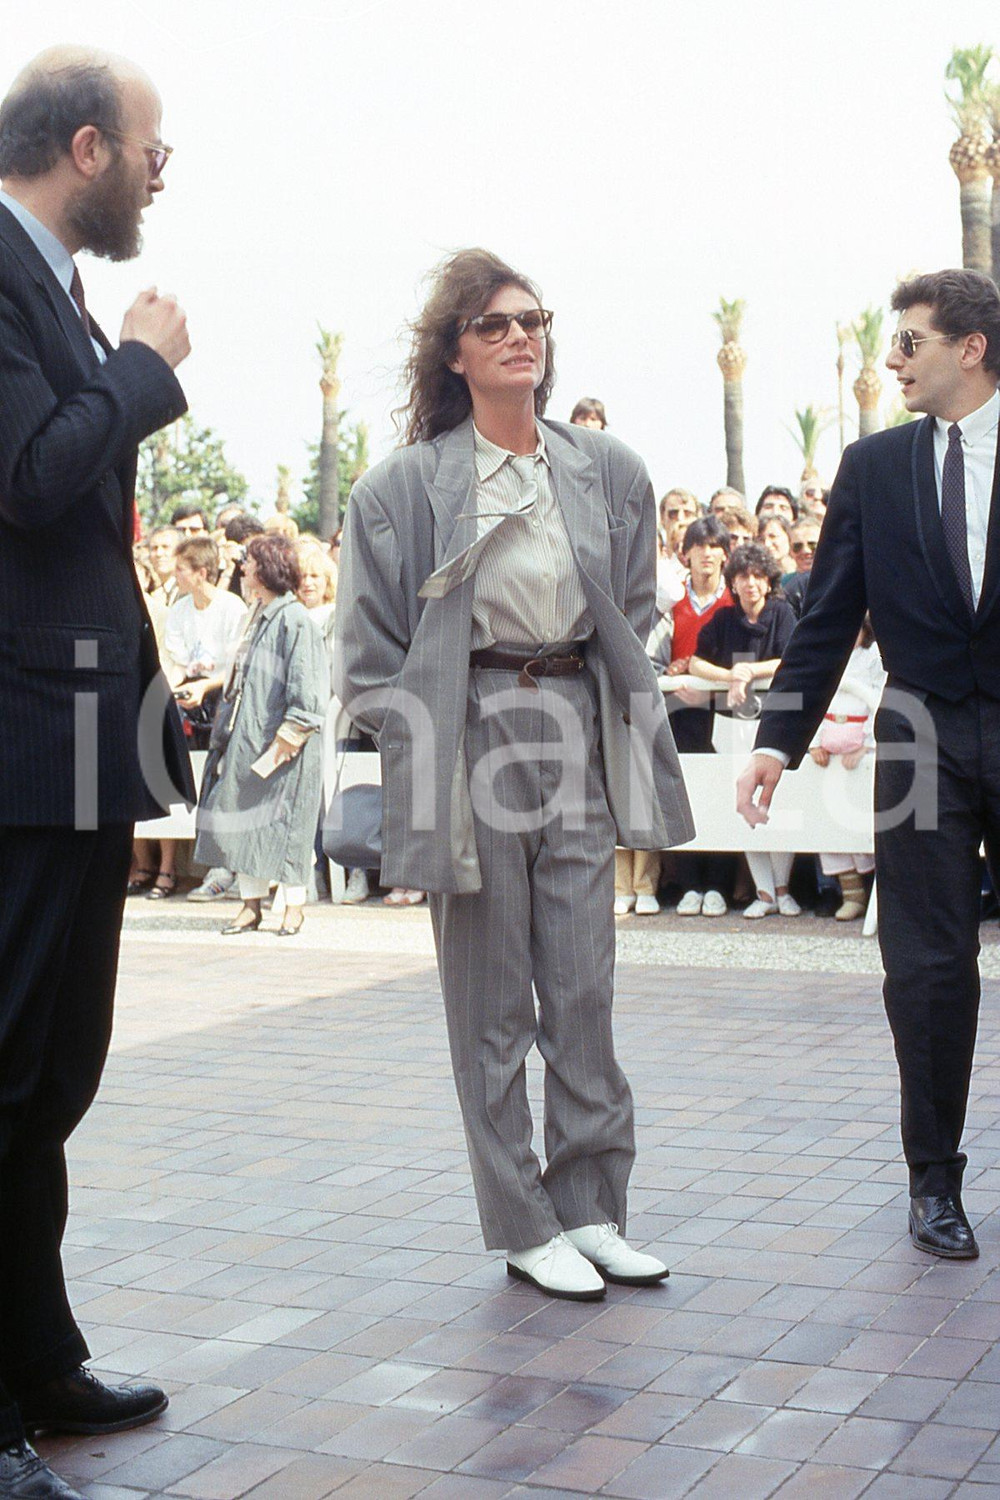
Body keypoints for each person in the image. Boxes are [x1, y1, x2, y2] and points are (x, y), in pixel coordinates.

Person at [335, 248, 692, 1301]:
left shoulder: (605, 467)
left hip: (575, 717)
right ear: (454, 351)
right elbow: (365, 659)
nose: (518, 336)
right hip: (469, 728)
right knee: (491, 1006)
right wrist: (427, 751)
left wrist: (626, 687)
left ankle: (591, 1210)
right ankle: (522, 1222)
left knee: (583, 989)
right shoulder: (402, 488)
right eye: (491, 324)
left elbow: (634, 608)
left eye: (531, 319)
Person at [0, 45, 192, 1499]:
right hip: (16, 745)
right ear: (85, 146)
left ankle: (39, 1359)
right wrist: (141, 368)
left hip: (80, 740)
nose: (160, 167)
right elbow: (28, 480)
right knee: (3, 1073)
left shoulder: (45, 283)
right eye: (151, 146)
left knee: (53, 1075)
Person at [737, 268, 1000, 1261]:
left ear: (968, 348)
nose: (891, 360)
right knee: (926, 970)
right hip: (920, 737)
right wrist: (775, 741)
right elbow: (829, 614)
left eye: (909, 342)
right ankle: (933, 1184)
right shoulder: (874, 467)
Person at [195, 534, 328, 937]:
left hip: (283, 745)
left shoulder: (296, 619)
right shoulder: (256, 613)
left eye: (250, 562)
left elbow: (307, 690)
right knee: (243, 825)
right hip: (246, 739)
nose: (243, 568)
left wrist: (288, 740)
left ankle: (293, 908)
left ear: (267, 567)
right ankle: (250, 907)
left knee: (289, 827)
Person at [690, 541, 798, 917]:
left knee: (780, 806)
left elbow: (793, 658)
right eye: (742, 576)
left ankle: (784, 890)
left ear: (768, 582)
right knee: (743, 807)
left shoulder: (784, 614)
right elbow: (696, 664)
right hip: (732, 728)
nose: (750, 583)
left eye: (757, 576)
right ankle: (764, 894)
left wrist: (752, 670)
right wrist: (731, 673)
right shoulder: (721, 620)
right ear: (732, 583)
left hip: (775, 728)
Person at [809, 618, 885, 919]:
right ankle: (849, 894)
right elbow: (811, 700)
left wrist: (866, 743)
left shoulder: (874, 656)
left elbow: (879, 698)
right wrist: (815, 742)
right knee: (830, 824)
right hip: (828, 748)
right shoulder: (825, 655)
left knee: (862, 823)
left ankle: (874, 895)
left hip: (861, 750)